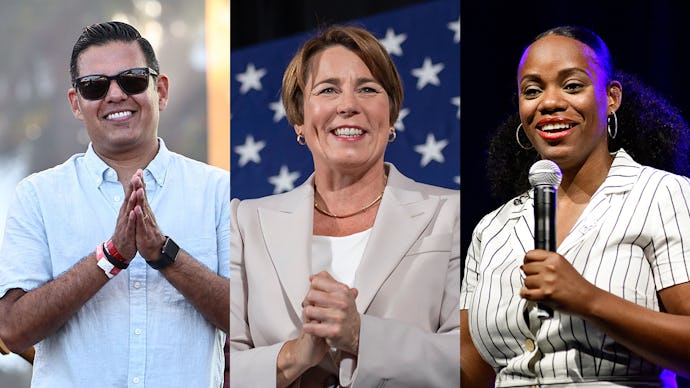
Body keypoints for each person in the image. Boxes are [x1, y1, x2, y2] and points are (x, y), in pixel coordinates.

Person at [0, 21, 229, 387]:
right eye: (95, 86)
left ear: (162, 91)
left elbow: (248, 320)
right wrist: (110, 257)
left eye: (133, 80)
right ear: (77, 103)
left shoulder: (219, 191)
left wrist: (166, 255)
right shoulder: (37, 196)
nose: (116, 95)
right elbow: (12, 329)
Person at [230, 25, 460, 387]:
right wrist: (295, 354)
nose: (349, 105)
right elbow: (221, 367)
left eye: (368, 89)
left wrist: (361, 336)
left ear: (391, 117)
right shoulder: (245, 222)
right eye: (328, 89)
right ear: (299, 121)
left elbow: (469, 364)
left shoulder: (452, 214)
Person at [460, 25, 690, 386]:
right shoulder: (491, 229)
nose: (549, 103)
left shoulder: (663, 196)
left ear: (611, 97)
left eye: (572, 86)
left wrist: (587, 299)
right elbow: (471, 373)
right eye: (532, 91)